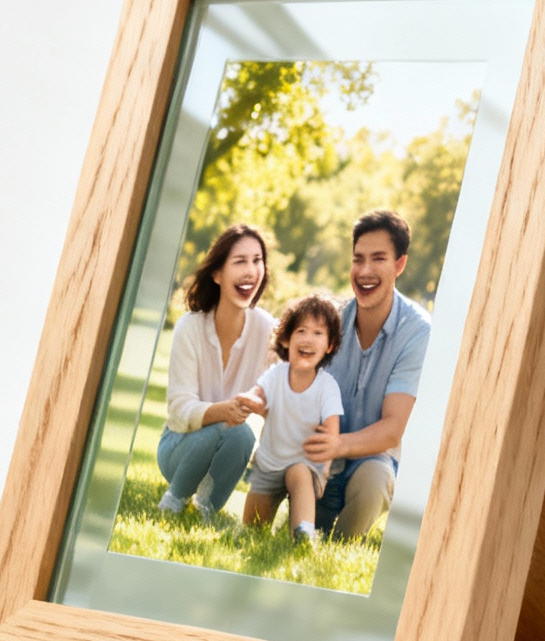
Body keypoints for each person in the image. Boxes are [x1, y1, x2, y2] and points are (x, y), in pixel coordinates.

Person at [301, 210, 432, 539]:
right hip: (320, 460)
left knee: (374, 480)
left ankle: (339, 546)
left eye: (378, 259)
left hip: (367, 462)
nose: (365, 271)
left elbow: (392, 430)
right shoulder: (332, 321)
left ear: (399, 265)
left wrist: (337, 446)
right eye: (358, 259)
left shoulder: (417, 332)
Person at [154, 224, 277, 521]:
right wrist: (225, 411)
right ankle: (175, 498)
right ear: (217, 274)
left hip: (227, 455)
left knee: (243, 436)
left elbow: (280, 398)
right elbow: (179, 409)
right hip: (179, 448)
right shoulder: (190, 327)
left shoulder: (267, 330)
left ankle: (206, 508)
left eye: (257, 260)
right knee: (230, 426)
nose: (251, 270)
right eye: (240, 261)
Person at [234, 294, 344, 542]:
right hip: (269, 466)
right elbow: (258, 393)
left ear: (330, 345)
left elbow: (332, 433)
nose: (308, 338)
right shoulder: (276, 374)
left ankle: (304, 532)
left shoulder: (327, 386)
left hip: (307, 469)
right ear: (286, 339)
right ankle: (271, 522)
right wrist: (251, 400)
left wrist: (323, 472)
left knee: (297, 471)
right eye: (301, 330)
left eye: (318, 333)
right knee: (252, 531)